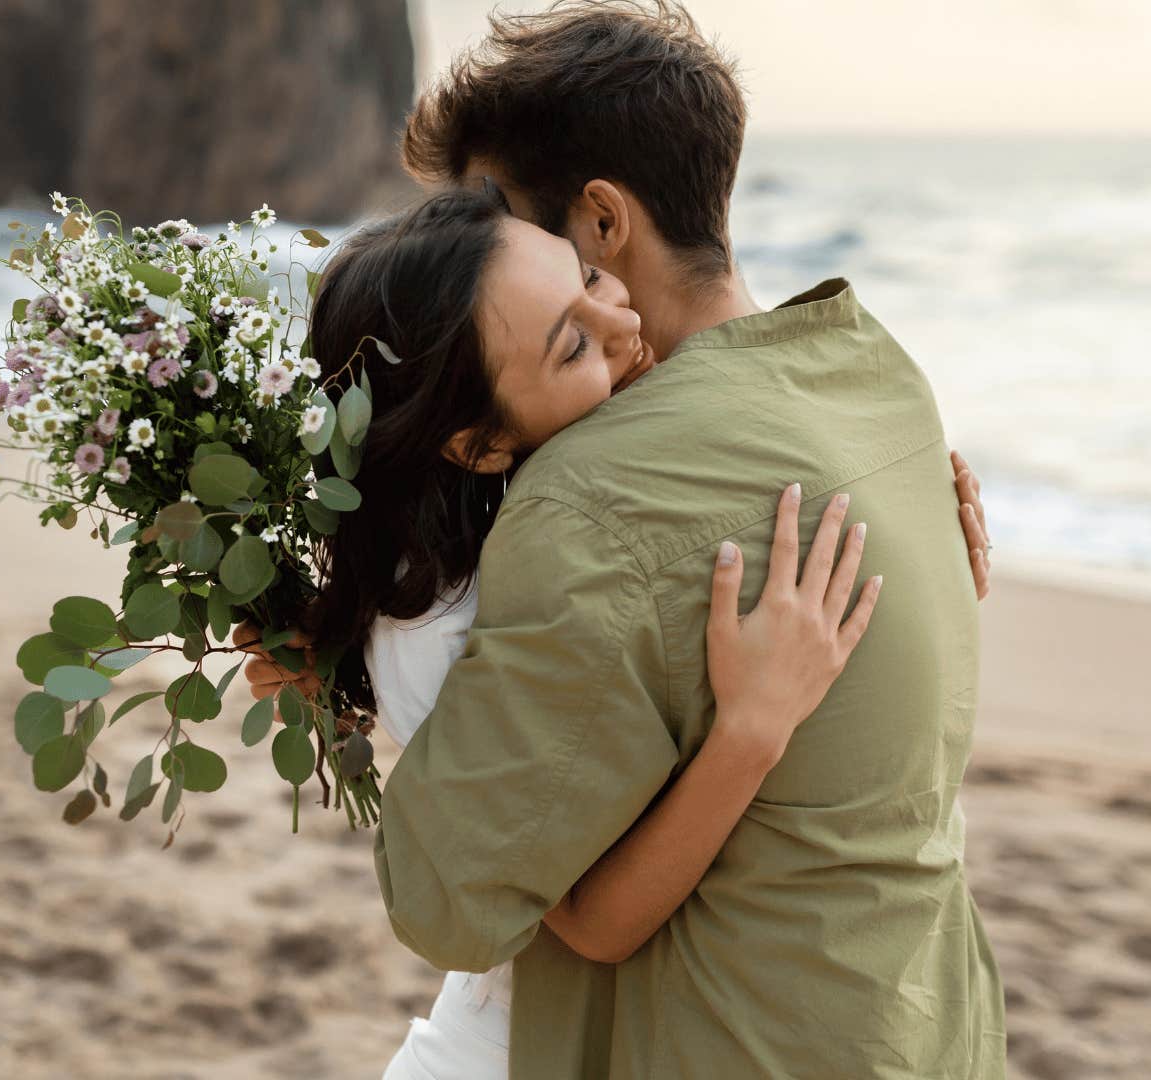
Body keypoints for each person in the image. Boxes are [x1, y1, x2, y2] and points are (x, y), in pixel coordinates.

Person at [253, 3, 1007, 1075]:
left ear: (601, 223)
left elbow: (451, 899)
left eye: (497, 212)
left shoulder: (593, 494)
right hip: (928, 1019)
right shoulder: (880, 383)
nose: (474, 244)